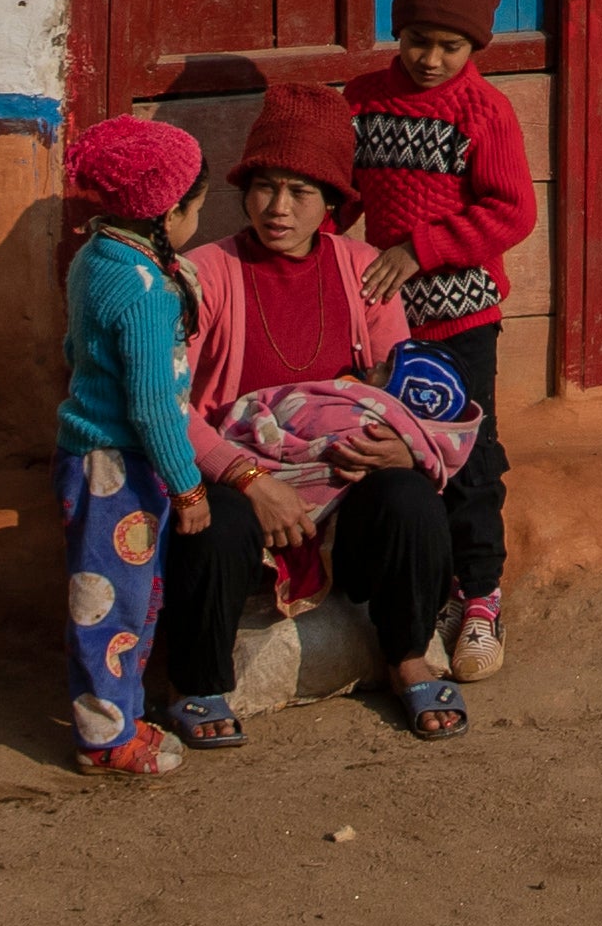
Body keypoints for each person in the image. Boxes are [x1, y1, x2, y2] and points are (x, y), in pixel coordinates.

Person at [154, 85, 483, 743]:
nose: (278, 209)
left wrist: (401, 448)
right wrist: (250, 480)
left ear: (331, 204)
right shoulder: (204, 275)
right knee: (210, 528)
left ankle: (408, 653)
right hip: (245, 484)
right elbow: (168, 401)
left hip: (343, 498)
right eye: (265, 188)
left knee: (410, 499)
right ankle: (199, 683)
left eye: (300, 194)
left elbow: (401, 396)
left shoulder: (364, 273)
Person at [348, 0, 540, 675]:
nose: (431, 59)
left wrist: (416, 250)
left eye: (450, 46)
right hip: (383, 324)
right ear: (399, 32)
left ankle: (481, 598)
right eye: (419, 40)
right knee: (392, 457)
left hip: (461, 320)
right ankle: (417, 597)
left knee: (470, 459)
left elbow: (511, 213)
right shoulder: (363, 102)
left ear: (474, 46)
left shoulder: (483, 112)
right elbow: (339, 199)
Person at [50, 115, 214, 779]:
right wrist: (188, 484)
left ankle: (122, 715)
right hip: (116, 470)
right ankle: (103, 739)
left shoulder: (97, 258)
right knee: (109, 605)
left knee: (131, 597)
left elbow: (75, 351)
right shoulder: (144, 291)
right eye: (196, 208)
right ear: (168, 212)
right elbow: (150, 405)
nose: (198, 219)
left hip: (102, 463)